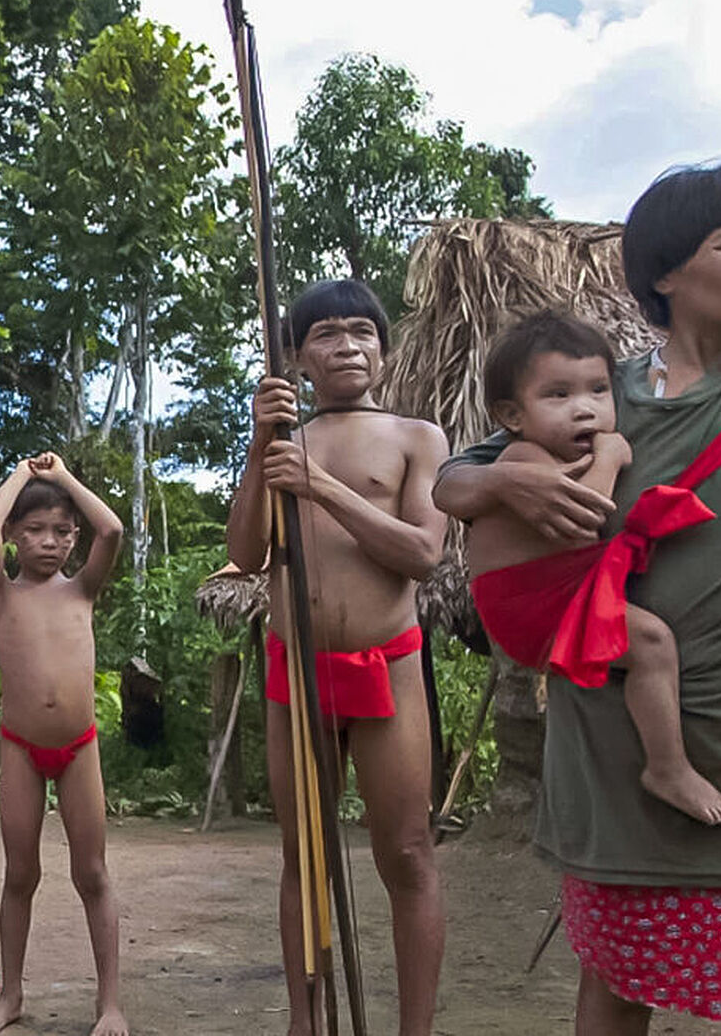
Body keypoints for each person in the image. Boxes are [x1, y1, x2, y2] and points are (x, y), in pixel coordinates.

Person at [434, 156, 721, 1036]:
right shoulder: (596, 399)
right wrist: (503, 484)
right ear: (665, 273)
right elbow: (451, 483)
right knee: (617, 981)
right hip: (616, 763)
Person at [224, 280, 450, 1036]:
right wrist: (263, 446)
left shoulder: (417, 437)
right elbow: (245, 553)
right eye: (326, 334)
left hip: (390, 664)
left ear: (383, 350)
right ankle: (304, 1021)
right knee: (305, 855)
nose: (347, 345)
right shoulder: (282, 439)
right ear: (296, 357)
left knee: (408, 853)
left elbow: (422, 554)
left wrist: (319, 486)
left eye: (361, 331)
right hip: (297, 670)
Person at [465, 311, 721, 825]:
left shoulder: (550, 451)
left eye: (597, 390)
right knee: (652, 643)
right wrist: (610, 457)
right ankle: (667, 768)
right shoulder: (522, 457)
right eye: (558, 395)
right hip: (529, 604)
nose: (584, 409)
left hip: (554, 587)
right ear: (512, 414)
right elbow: (584, 518)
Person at [0, 452, 126, 1036]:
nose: (49, 541)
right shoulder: (0, 593)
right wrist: (23, 474)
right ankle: (10, 995)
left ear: (74, 538)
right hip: (20, 748)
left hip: (80, 748)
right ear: (15, 537)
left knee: (92, 873)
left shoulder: (83, 589)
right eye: (34, 530)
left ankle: (110, 1003)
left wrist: (61, 477)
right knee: (20, 873)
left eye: (61, 531)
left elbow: (112, 529)